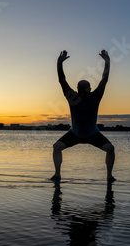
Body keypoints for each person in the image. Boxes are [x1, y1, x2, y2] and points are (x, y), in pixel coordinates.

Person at [50, 50, 116, 182]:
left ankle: (109, 176)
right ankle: (57, 175)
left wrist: (107, 61)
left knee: (110, 149)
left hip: (93, 134)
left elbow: (105, 79)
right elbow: (61, 80)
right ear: (82, 89)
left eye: (86, 88)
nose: (86, 90)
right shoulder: (72, 97)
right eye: (84, 88)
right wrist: (59, 63)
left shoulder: (95, 96)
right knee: (57, 147)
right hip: (74, 134)